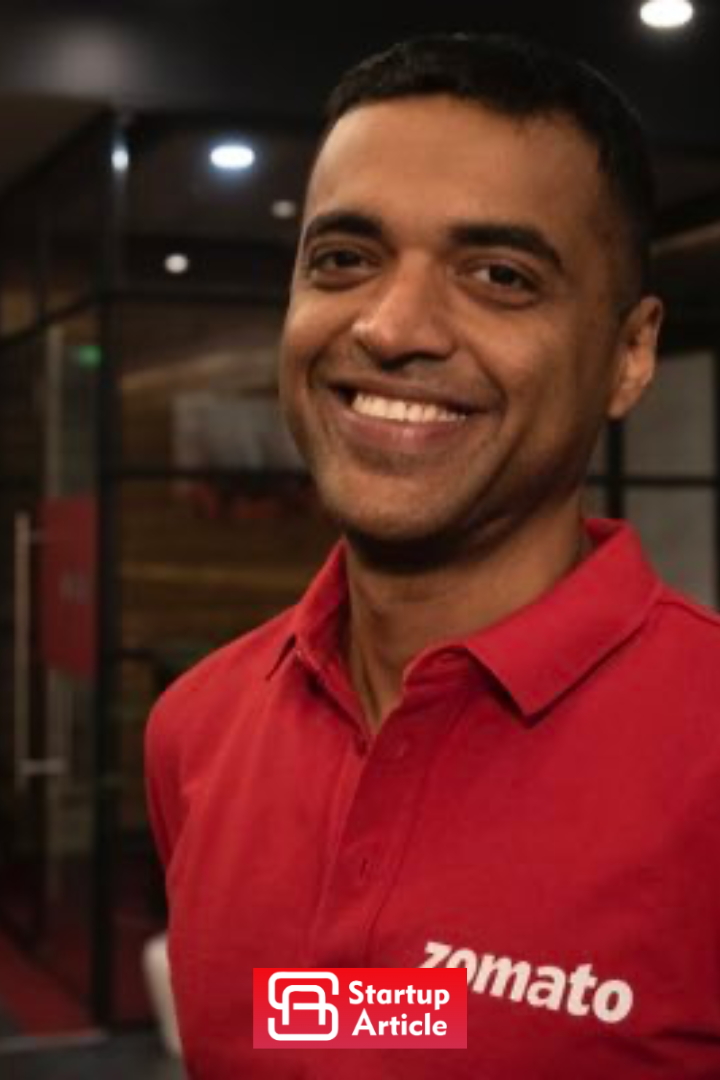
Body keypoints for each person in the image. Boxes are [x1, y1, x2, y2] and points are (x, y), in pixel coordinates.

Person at [145, 32, 720, 1079]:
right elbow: (360, 1022)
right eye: (344, 260)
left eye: (500, 276)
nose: (392, 325)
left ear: (630, 354)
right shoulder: (196, 731)